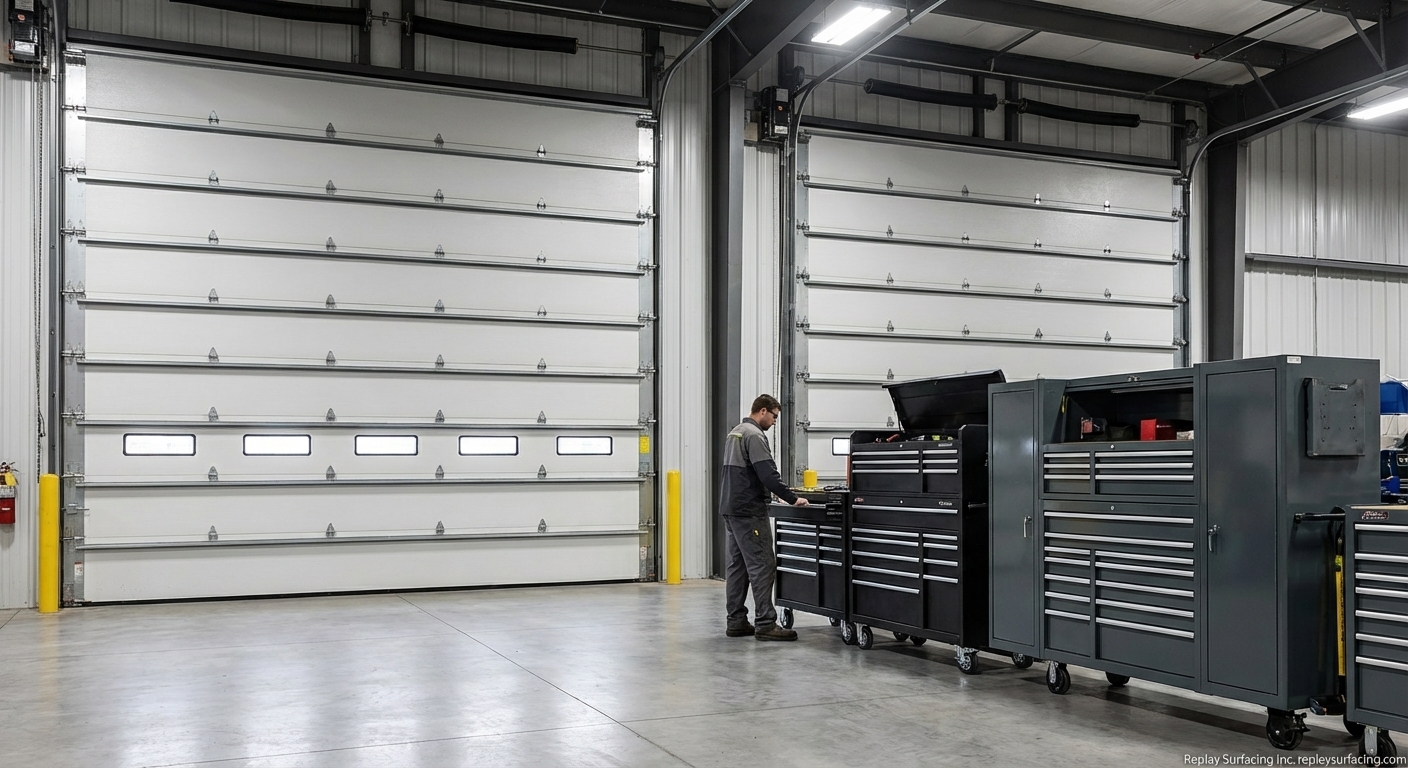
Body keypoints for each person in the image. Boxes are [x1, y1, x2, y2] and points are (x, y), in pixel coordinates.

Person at [719, 394, 810, 641]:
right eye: (774, 417)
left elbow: (748, 474)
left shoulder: (735, 432)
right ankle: (766, 623)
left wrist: (774, 495)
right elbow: (767, 473)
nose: (774, 422)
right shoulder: (755, 434)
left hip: (731, 508)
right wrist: (792, 498)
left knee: (737, 567)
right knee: (762, 565)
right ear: (762, 411)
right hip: (749, 511)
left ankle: (736, 621)